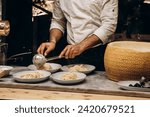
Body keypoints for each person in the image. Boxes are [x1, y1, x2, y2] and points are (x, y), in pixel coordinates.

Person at [37, 0, 118, 70]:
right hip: (72, 53)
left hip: (99, 52)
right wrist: (53, 41)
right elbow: (58, 21)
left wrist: (80, 46)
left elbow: (109, 26)